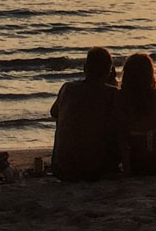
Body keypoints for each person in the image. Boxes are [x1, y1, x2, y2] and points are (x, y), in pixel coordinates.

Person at [50, 47, 120, 181]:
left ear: (85, 68)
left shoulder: (67, 88)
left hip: (61, 168)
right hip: (95, 169)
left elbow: (54, 113)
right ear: (109, 70)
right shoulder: (112, 93)